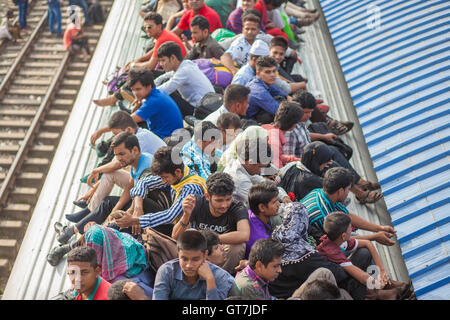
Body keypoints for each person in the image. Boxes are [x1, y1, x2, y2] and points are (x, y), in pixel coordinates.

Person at [55, 132, 167, 243]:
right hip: (143, 203)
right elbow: (130, 187)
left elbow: (140, 199)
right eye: (116, 155)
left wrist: (123, 212)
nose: (118, 158)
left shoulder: (146, 166)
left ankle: (74, 237)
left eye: (121, 154)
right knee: (110, 206)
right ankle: (75, 231)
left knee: (109, 208)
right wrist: (116, 209)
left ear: (135, 150)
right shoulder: (136, 162)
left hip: (153, 210)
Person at [74, 111, 166, 213]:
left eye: (116, 134)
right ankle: (90, 208)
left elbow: (118, 164)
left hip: (156, 188)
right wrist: (94, 188)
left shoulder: (139, 140)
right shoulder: (138, 136)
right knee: (109, 174)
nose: (114, 138)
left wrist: (96, 170)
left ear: (128, 130)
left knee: (111, 176)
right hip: (144, 179)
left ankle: (90, 210)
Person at [317, 212, 411, 300]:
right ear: (344, 235)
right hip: (331, 287)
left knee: (364, 253)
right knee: (354, 281)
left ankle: (380, 287)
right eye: (350, 228)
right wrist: (377, 283)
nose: (352, 229)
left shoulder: (337, 239)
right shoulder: (331, 251)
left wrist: (382, 271)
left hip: (340, 273)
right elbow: (362, 276)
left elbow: (367, 243)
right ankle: (381, 294)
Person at [115, 146, 207, 233]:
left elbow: (170, 216)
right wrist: (137, 209)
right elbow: (144, 182)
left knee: (135, 221)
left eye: (165, 177)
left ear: (177, 172)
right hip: (173, 223)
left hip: (185, 232)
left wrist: (135, 220)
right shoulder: (176, 173)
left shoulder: (191, 188)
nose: (163, 180)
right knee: (140, 203)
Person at [172, 172, 250, 274]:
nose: (224, 205)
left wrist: (212, 240)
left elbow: (244, 235)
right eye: (219, 200)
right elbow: (175, 236)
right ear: (208, 196)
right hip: (202, 249)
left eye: (228, 199)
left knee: (237, 246)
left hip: (222, 251)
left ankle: (222, 277)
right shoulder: (197, 202)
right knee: (188, 236)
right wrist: (186, 215)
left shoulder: (237, 207)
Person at [301, 167, 397, 246]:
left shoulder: (319, 192)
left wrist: (380, 228)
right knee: (364, 250)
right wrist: (375, 237)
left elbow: (347, 217)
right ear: (340, 191)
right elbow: (340, 242)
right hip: (316, 247)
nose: (348, 193)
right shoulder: (323, 216)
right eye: (348, 189)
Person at [152, 229, 234, 299]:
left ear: (205, 255)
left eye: (195, 259)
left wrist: (210, 280)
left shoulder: (219, 276)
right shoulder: (166, 271)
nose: (189, 265)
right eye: (184, 259)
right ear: (178, 254)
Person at [155, 41, 215, 116]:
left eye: (163, 60)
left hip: (202, 110)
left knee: (166, 95)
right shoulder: (186, 64)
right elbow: (164, 76)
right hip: (205, 103)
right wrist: (153, 84)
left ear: (173, 58)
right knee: (163, 81)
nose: (161, 64)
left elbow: (165, 89)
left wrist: (146, 93)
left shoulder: (184, 71)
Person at [246, 56, 288, 124]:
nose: (272, 75)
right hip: (249, 123)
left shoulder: (262, 81)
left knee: (283, 99)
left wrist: (288, 97)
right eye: (268, 72)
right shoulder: (259, 91)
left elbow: (281, 93)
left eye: (274, 71)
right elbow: (279, 112)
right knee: (275, 116)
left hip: (255, 116)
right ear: (258, 74)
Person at [262, 101, 303, 168]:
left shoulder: (268, 128)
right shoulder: (275, 140)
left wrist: (297, 160)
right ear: (294, 125)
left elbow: (278, 157)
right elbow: (277, 169)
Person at [245, 181, 280, 258]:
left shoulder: (249, 214)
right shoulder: (261, 239)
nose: (279, 204)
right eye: (274, 202)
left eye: (277, 200)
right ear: (262, 207)